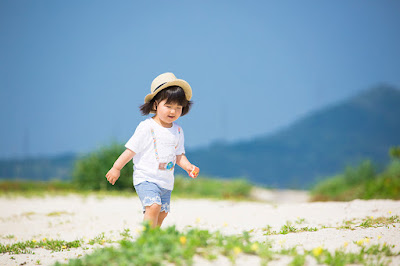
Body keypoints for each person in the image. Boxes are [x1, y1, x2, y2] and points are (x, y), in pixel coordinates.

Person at [105, 72, 200, 228]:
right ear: (155, 104)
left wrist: (188, 166)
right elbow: (131, 150)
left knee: (163, 212)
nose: (172, 111)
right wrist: (116, 168)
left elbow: (179, 155)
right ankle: (146, 239)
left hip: (166, 182)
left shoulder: (178, 131)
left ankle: (154, 237)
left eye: (178, 107)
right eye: (168, 106)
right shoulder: (147, 127)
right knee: (153, 206)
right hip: (146, 178)